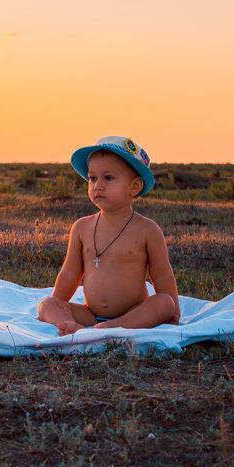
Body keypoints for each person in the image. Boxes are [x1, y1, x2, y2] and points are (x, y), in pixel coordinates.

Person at [38, 136, 179, 336]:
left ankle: (116, 327)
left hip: (133, 313)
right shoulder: (81, 227)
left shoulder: (147, 230)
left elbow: (162, 274)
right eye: (93, 178)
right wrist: (59, 304)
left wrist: (174, 311)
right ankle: (71, 326)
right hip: (90, 315)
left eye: (109, 178)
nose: (98, 186)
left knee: (165, 303)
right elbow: (70, 273)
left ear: (135, 187)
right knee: (46, 304)